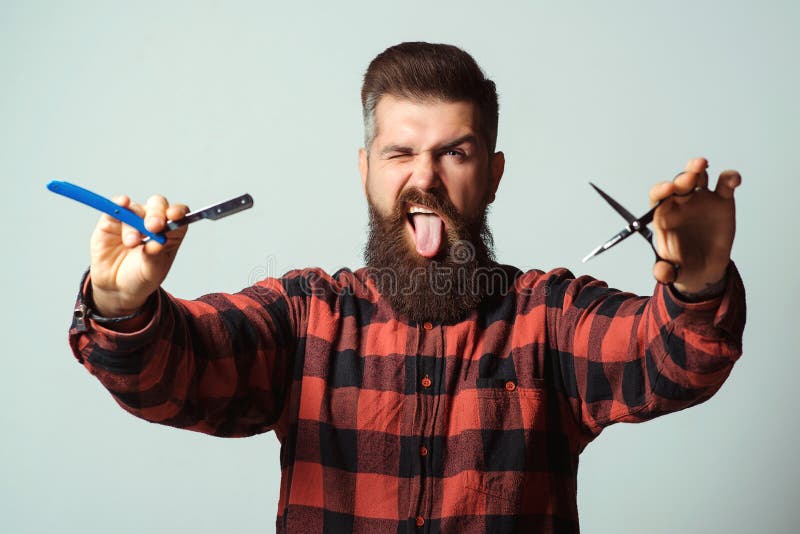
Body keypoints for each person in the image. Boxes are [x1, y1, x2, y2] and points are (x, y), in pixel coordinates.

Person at [67, 42, 745, 533]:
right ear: (366, 170)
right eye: (400, 153)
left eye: (456, 152)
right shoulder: (303, 319)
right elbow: (179, 372)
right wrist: (124, 306)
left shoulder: (551, 318)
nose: (426, 178)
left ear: (494, 172)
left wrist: (698, 280)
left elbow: (667, 360)